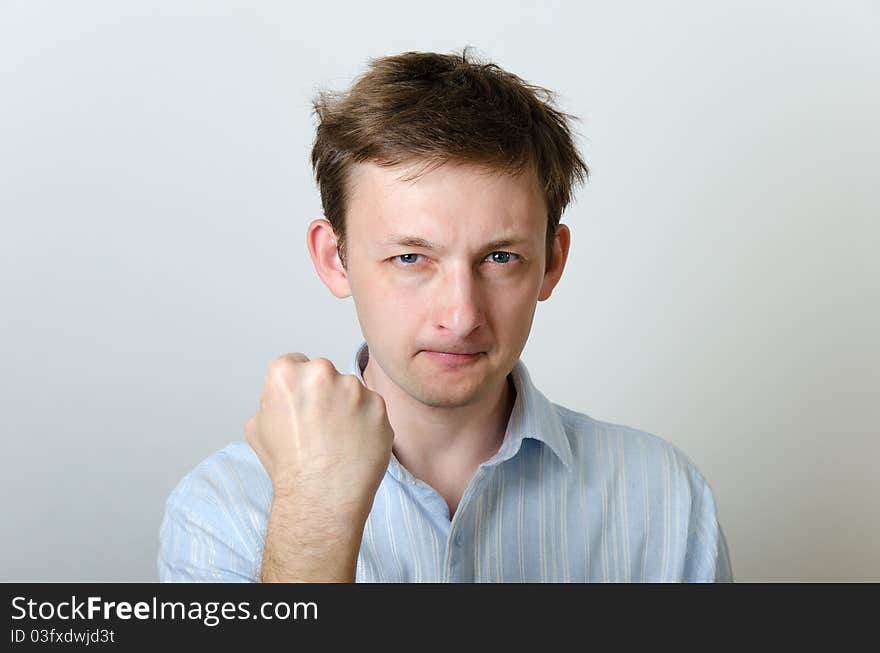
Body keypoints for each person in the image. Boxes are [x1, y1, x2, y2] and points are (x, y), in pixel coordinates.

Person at [158, 47, 732, 582]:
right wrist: (315, 515)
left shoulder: (665, 496)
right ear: (335, 259)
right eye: (410, 257)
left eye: (500, 257)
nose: (460, 316)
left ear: (552, 264)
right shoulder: (222, 508)